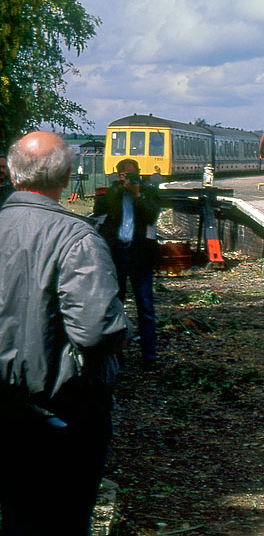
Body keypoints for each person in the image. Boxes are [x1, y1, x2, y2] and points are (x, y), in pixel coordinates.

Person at [0, 132, 128, 535]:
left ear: (10, 170)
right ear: (69, 176)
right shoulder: (77, 239)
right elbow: (96, 331)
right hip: (59, 412)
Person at [93, 158, 162, 369]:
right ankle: (117, 355)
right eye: (123, 175)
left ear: (139, 174)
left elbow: (152, 215)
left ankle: (149, 358)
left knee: (146, 307)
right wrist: (116, 190)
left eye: (131, 175)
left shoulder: (148, 193)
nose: (128, 179)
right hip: (116, 255)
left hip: (140, 255)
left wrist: (137, 194)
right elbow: (98, 210)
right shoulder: (113, 194)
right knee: (116, 306)